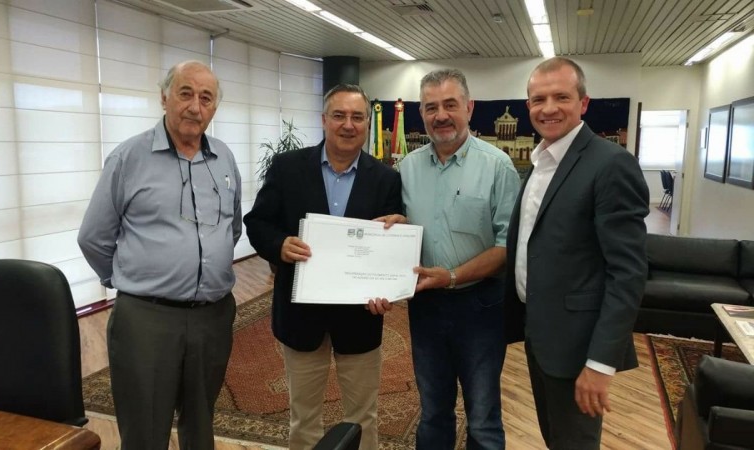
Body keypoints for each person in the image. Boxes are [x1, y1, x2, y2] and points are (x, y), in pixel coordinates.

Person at [78, 60, 241, 450]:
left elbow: (232, 228)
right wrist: (131, 281)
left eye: (206, 98)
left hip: (213, 317)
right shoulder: (129, 158)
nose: (195, 107)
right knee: (145, 431)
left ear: (215, 107)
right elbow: (94, 237)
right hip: (146, 319)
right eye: (186, 93)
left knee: (201, 422)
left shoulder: (224, 158)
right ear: (164, 97)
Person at [243, 84, 402, 449]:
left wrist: (388, 287)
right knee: (303, 418)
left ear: (367, 123)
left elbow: (391, 246)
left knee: (363, 418)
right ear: (324, 120)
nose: (348, 124)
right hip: (301, 316)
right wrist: (279, 245)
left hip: (361, 318)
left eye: (357, 117)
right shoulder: (287, 168)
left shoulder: (386, 179)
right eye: (339, 115)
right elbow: (258, 223)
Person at [504, 57, 649, 450]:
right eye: (538, 99)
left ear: (583, 103)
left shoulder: (611, 164)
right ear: (528, 105)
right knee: (556, 438)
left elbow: (628, 273)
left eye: (561, 97)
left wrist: (600, 364)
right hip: (540, 336)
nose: (548, 108)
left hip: (579, 348)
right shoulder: (541, 162)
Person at [387, 68, 520, 449]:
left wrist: (452, 276)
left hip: (481, 307)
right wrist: (396, 228)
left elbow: (507, 247)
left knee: (483, 417)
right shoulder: (407, 168)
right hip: (426, 307)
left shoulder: (498, 166)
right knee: (432, 411)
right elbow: (408, 228)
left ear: (469, 108)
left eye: (450, 105)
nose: (441, 115)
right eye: (431, 107)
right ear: (422, 113)